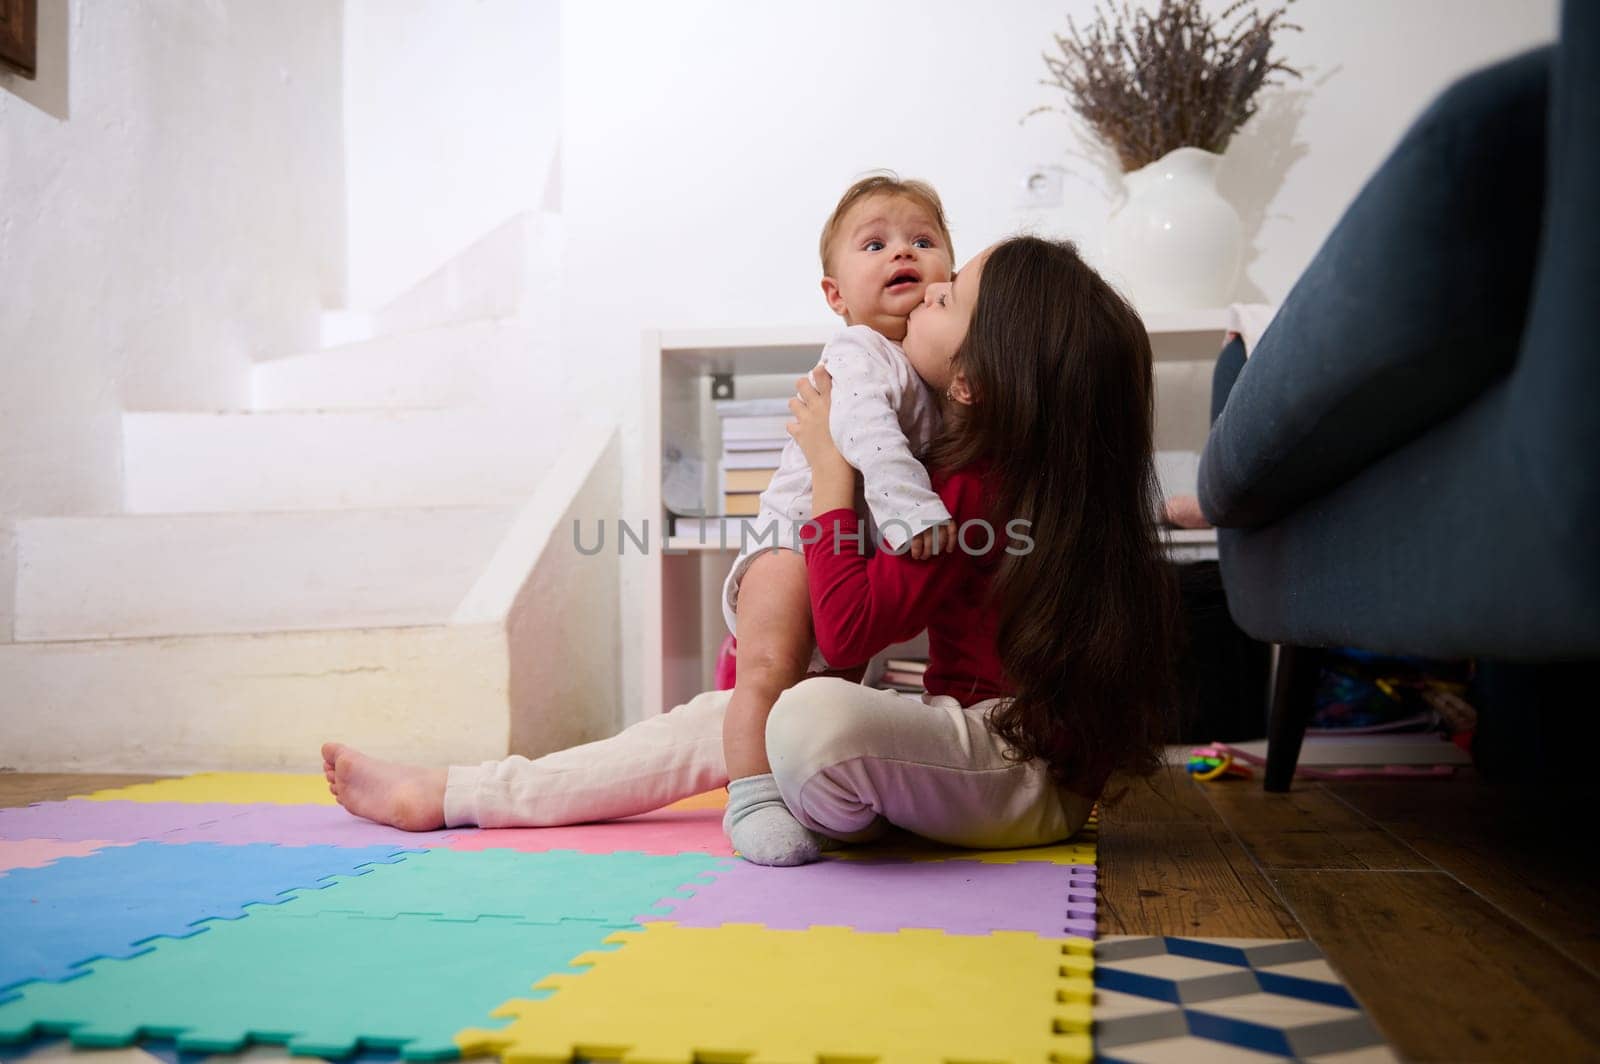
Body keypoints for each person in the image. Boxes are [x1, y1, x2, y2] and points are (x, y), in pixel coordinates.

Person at [321, 235, 1180, 866]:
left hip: (1018, 772)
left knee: (806, 715)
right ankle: (460, 793)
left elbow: (845, 636)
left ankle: (843, 811)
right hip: (991, 751)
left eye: (947, 296)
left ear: (972, 383)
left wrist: (831, 469)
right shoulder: (998, 475)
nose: (925, 294)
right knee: (733, 716)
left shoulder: (956, 499)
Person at [719, 174, 959, 865]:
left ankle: (810, 791)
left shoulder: (928, 366)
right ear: (836, 296)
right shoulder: (860, 351)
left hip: (846, 552)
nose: (901, 253)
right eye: (875, 243)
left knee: (836, 687)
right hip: (791, 540)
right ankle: (752, 800)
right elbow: (860, 430)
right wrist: (913, 509)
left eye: (922, 240)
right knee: (766, 669)